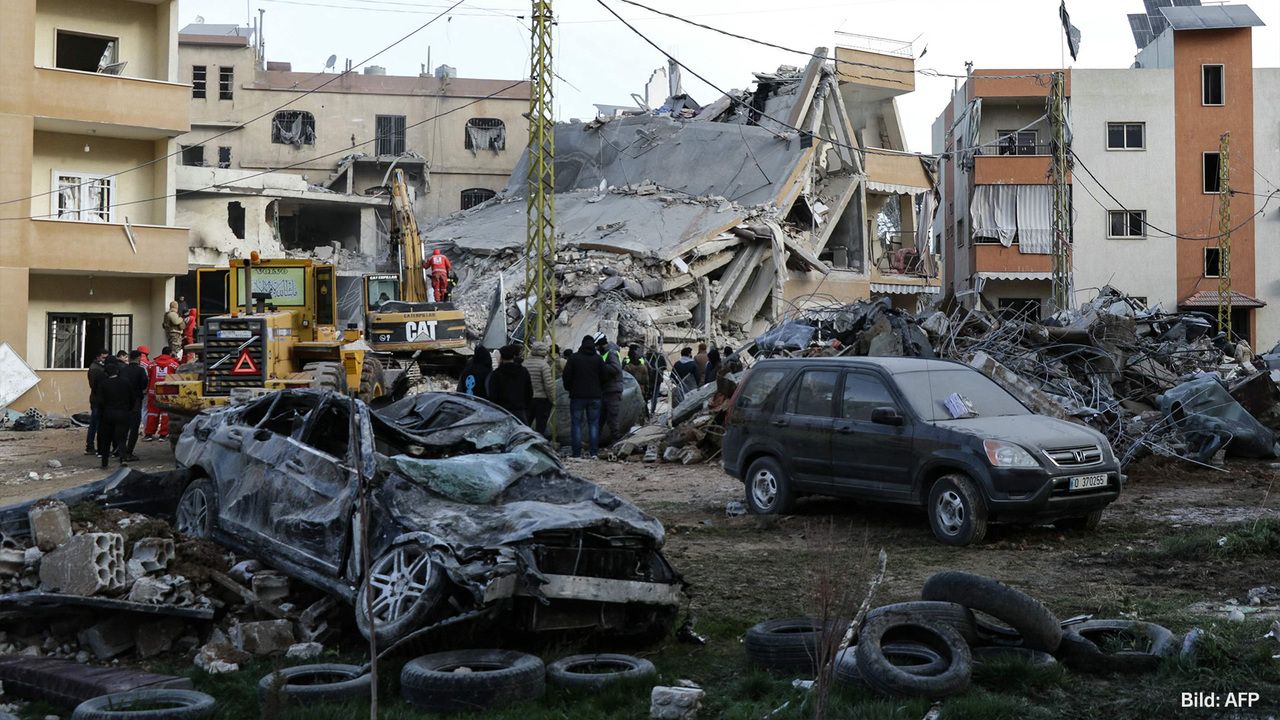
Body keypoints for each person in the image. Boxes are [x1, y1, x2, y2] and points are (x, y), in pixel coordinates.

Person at [562, 335, 605, 459]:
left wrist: (570, 388)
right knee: (594, 424)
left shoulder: (574, 358)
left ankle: (576, 453)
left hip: (577, 396)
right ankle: (594, 453)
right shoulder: (598, 359)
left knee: (576, 424)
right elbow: (605, 377)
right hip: (595, 396)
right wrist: (599, 389)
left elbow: (566, 376)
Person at [95, 359, 135, 468]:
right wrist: (128, 409)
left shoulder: (103, 384)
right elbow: (132, 399)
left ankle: (104, 462)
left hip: (108, 414)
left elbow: (99, 401)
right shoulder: (125, 382)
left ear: (106, 373)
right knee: (121, 438)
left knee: (106, 439)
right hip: (123, 413)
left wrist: (102, 412)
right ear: (117, 372)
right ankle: (123, 459)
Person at [486, 345, 534, 423]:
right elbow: (529, 391)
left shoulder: (496, 374)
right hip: (519, 410)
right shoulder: (523, 371)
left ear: (501, 357)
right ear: (514, 356)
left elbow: (492, 395)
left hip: (502, 411)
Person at [143, 347, 180, 441]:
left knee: (152, 413)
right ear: (170, 353)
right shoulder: (174, 365)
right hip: (167, 391)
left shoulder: (152, 365)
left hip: (153, 391)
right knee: (166, 413)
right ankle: (163, 435)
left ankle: (148, 434)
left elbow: (149, 377)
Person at [120, 349, 149, 461]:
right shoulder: (140, 370)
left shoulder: (123, 370)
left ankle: (121, 451)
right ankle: (129, 452)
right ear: (138, 358)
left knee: (123, 427)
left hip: (123, 401)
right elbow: (144, 384)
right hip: (136, 400)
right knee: (134, 428)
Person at [595, 332, 624, 441]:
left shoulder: (611, 353)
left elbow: (616, 369)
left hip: (613, 390)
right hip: (606, 389)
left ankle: (616, 441)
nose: (597, 349)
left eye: (597, 346)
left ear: (601, 344)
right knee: (601, 417)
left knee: (612, 417)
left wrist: (600, 367)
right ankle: (596, 441)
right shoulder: (605, 353)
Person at [525, 341, 556, 436]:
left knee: (526, 425)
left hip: (527, 399)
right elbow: (548, 385)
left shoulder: (524, 363)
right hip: (541, 400)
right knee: (540, 427)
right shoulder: (544, 365)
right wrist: (552, 399)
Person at [84, 348, 109, 455]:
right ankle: (91, 446)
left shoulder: (99, 367)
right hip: (97, 400)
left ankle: (92, 446)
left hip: (97, 399)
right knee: (96, 424)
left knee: (95, 423)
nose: (105, 359)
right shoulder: (95, 369)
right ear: (98, 357)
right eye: (103, 357)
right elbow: (94, 385)